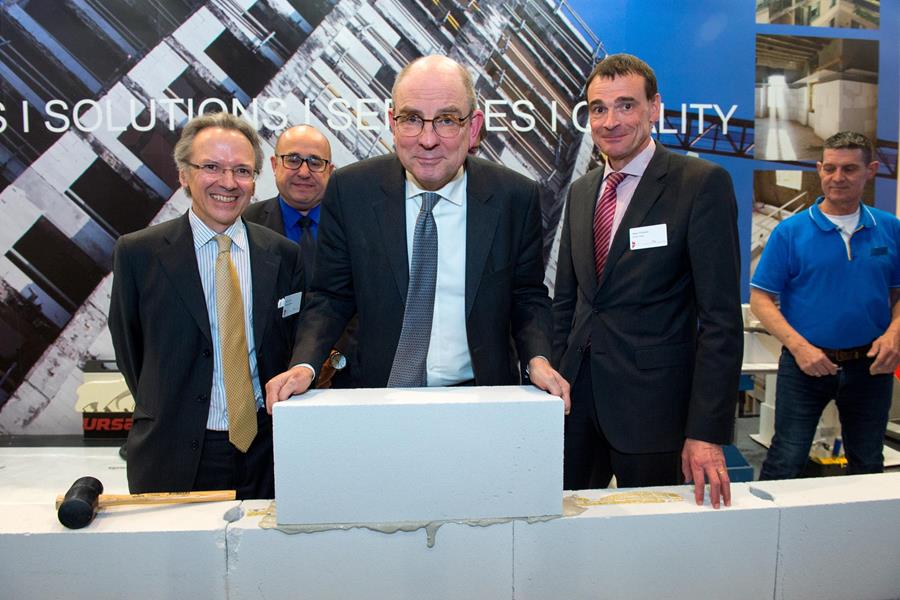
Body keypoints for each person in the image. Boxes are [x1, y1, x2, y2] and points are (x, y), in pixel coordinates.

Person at [265, 54, 570, 410]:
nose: (427, 140)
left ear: (473, 127)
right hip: (378, 399)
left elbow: (527, 296)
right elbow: (331, 296)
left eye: (446, 120)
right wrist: (304, 364)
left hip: (481, 400)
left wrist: (538, 360)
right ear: (392, 123)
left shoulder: (514, 197)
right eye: (411, 119)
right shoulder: (351, 191)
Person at [552, 54, 742, 508]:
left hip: (655, 413)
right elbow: (566, 303)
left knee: (654, 539)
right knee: (561, 530)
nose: (610, 121)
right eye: (599, 109)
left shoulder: (700, 184)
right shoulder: (582, 191)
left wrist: (705, 432)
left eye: (626, 105)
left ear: (654, 107)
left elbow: (720, 321)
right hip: (574, 411)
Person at [108, 112, 304, 499]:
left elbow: (288, 343)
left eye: (242, 170)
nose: (228, 183)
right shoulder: (139, 254)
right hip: (172, 452)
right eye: (211, 167)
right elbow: (132, 352)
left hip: (268, 453)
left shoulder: (283, 255)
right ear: (184, 174)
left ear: (254, 180)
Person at [751, 131, 900, 480]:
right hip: (805, 366)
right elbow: (761, 299)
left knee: (868, 461)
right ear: (819, 169)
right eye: (830, 168)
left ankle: (865, 519)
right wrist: (799, 348)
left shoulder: (890, 229)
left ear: (870, 170)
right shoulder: (790, 232)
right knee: (786, 459)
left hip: (871, 367)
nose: (837, 177)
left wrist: (894, 334)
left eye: (849, 169)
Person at [244, 125, 355, 388]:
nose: (304, 172)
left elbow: (369, 300)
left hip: (345, 376)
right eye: (293, 159)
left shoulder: (357, 225)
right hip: (266, 382)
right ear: (274, 165)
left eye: (315, 162)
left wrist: (334, 357)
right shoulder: (245, 226)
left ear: (330, 170)